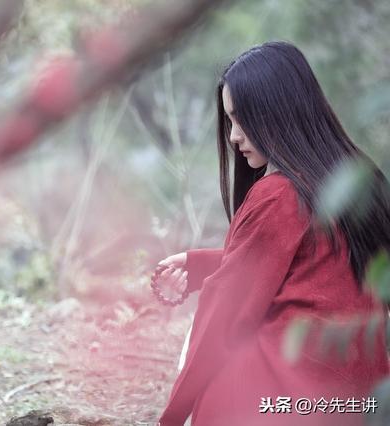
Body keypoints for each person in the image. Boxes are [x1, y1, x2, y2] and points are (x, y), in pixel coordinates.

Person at [153, 41, 390, 426]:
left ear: (275, 112)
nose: (233, 136)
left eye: (240, 118)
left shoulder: (278, 195)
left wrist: (172, 417)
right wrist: (202, 265)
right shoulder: (357, 183)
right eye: (229, 121)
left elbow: (222, 318)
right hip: (358, 407)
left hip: (280, 406)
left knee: (210, 336)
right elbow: (319, 265)